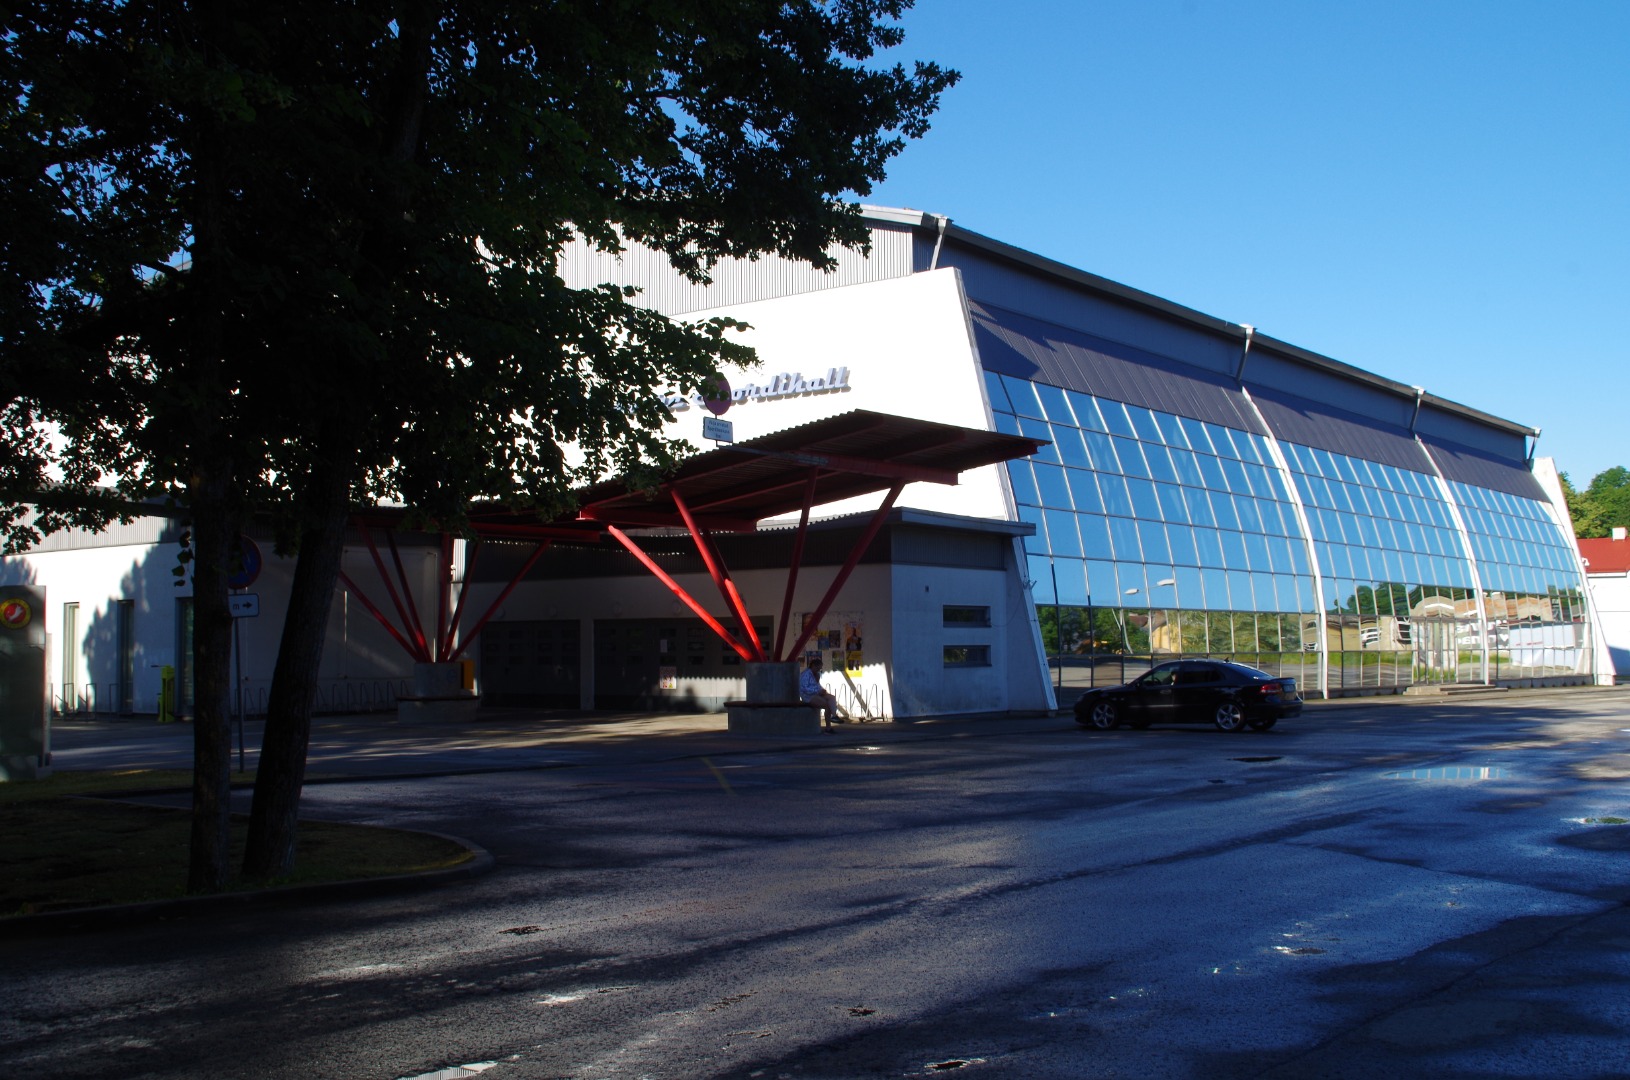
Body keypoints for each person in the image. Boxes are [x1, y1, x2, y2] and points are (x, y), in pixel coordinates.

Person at [799, 655, 844, 727]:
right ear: (813, 666)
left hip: (816, 693)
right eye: (817, 668)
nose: (818, 670)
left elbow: (816, 685)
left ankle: (834, 716)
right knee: (827, 705)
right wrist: (817, 691)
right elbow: (804, 688)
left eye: (819, 669)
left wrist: (821, 690)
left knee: (831, 698)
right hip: (808, 696)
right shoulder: (805, 675)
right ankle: (828, 727)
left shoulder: (816, 674)